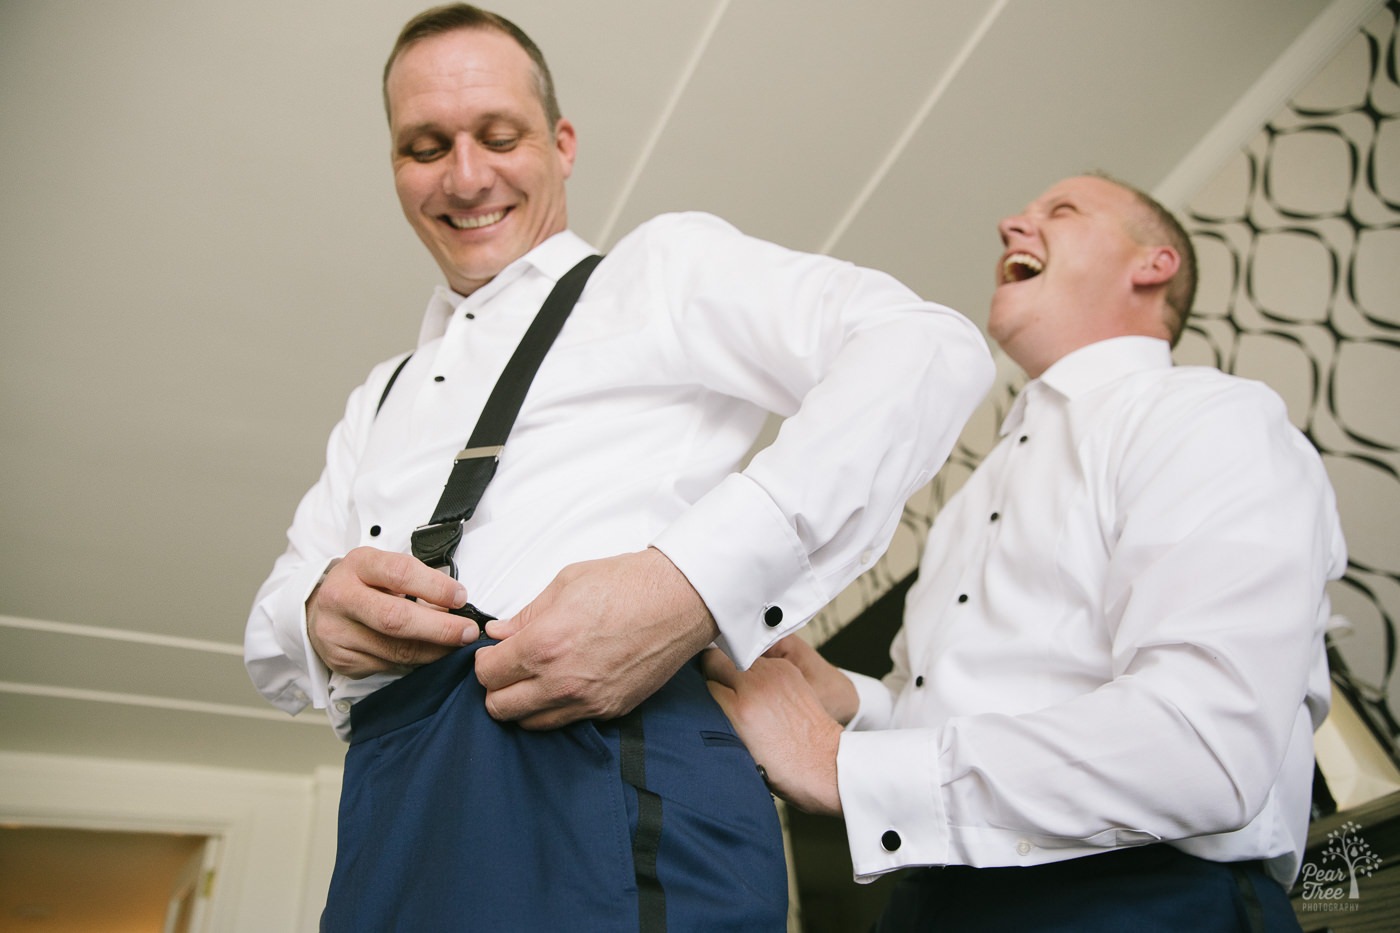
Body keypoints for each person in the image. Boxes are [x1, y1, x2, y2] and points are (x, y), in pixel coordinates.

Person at [242, 4, 993, 930]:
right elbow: (271, 630)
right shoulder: (377, 397)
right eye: (425, 146)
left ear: (560, 143)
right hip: (391, 824)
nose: (466, 175)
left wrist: (689, 584)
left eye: (498, 135)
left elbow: (924, 348)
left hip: (607, 782)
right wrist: (315, 615)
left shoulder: (658, 272)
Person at [705, 174, 1347, 932]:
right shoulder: (970, 503)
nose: (1012, 224)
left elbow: (1204, 742)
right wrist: (854, 703)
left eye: (1061, 211)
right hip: (931, 902)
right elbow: (967, 706)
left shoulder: (1212, 421)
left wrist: (841, 766)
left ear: (1155, 264)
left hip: (1139, 901)